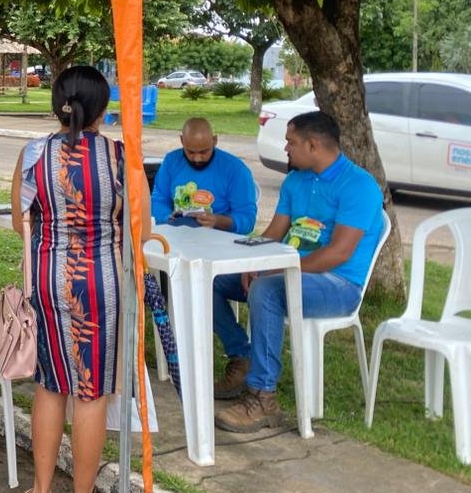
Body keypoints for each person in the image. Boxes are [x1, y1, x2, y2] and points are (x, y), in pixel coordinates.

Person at [212, 110, 384, 431]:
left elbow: (338, 253)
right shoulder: (296, 180)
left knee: (267, 290)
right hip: (289, 273)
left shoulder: (359, 185)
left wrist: (275, 268)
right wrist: (252, 262)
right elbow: (273, 233)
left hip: (338, 284)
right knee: (216, 280)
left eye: (291, 142)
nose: (286, 148)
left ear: (313, 144)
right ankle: (242, 356)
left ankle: (263, 398)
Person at [11, 65, 124, 493]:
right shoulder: (118, 156)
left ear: (56, 103)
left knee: (51, 384)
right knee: (91, 393)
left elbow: (22, 222)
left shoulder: (34, 153)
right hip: (101, 284)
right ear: (101, 108)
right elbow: (138, 224)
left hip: (48, 281)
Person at [150, 117, 257, 234]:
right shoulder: (171, 161)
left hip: (219, 242)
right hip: (177, 236)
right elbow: (157, 201)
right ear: (182, 141)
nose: (197, 158)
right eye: (190, 152)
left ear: (214, 140)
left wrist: (217, 221)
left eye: (204, 152)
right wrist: (168, 218)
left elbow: (248, 220)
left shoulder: (235, 169)